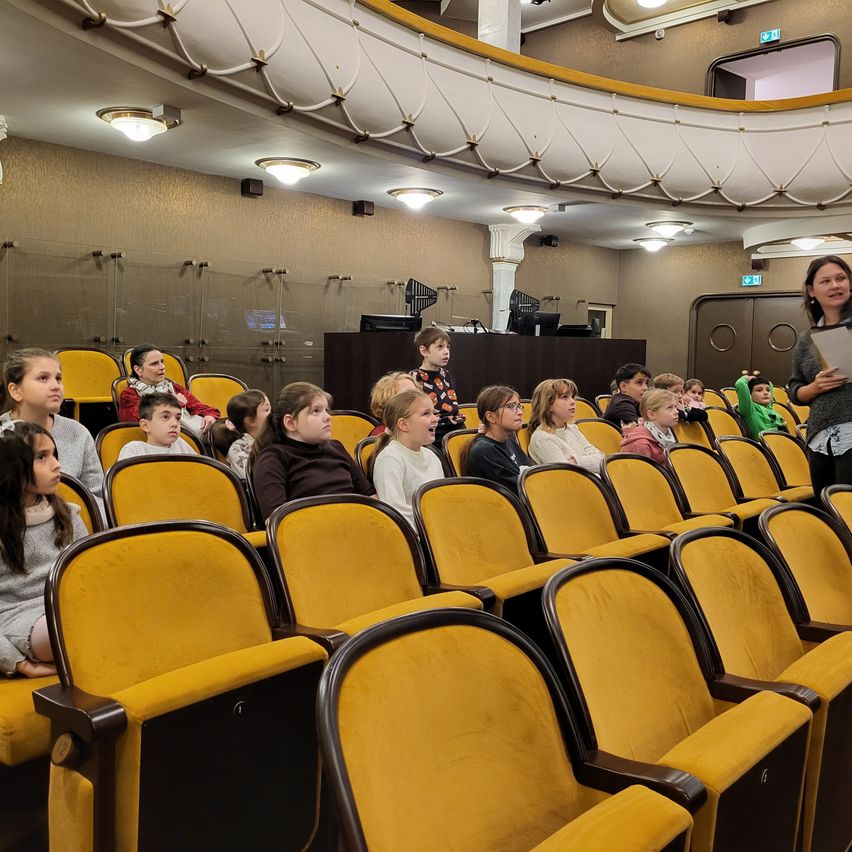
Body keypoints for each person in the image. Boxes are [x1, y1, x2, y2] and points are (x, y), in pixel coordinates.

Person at [0, 420, 88, 678]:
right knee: (68, 629)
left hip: (68, 602)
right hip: (20, 617)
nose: (57, 464)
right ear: (10, 468)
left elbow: (87, 569)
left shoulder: (67, 514)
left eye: (54, 454)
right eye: (42, 457)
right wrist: (18, 663)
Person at [0, 348, 104, 516]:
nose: (56, 386)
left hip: (73, 532)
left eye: (58, 378)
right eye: (43, 378)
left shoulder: (78, 433)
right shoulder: (2, 435)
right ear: (15, 390)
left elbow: (98, 499)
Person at [251, 382, 374, 520]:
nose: (328, 417)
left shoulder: (337, 448)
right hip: (309, 535)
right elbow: (275, 519)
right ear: (290, 423)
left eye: (327, 410)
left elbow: (369, 496)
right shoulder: (273, 458)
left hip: (353, 525)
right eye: (316, 411)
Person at [789, 255, 852, 494]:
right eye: (826, 281)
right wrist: (814, 388)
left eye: (841, 279)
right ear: (811, 291)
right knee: (829, 512)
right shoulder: (807, 338)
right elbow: (795, 389)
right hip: (820, 438)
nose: (835, 285)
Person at [371, 390, 444, 527]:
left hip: (438, 530)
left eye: (433, 413)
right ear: (404, 424)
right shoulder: (390, 459)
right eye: (426, 414)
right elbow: (395, 512)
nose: (435, 419)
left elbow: (441, 501)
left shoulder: (431, 456)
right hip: (416, 537)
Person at [119, 344, 219, 435]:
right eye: (154, 364)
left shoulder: (174, 387)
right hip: (164, 439)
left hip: (193, 432)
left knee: (224, 429)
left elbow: (200, 407)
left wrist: (209, 416)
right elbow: (148, 420)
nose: (162, 367)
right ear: (138, 370)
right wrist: (174, 403)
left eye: (162, 362)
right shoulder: (129, 394)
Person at [527, 378, 604, 475]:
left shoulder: (572, 429)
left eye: (572, 397)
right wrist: (589, 464)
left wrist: (575, 461)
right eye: (564, 397)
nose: (573, 402)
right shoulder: (542, 438)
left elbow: (601, 460)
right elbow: (567, 475)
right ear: (548, 405)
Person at [467, 385, 532, 495]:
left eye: (519, 406)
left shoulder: (509, 442)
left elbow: (533, 475)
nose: (520, 412)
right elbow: (523, 489)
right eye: (511, 406)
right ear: (491, 417)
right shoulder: (484, 450)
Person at [413, 327, 466, 443]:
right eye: (440, 347)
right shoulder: (415, 378)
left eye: (448, 347)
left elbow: (453, 408)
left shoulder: (447, 375)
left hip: (456, 428)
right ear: (424, 351)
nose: (446, 351)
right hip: (435, 433)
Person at [117, 392, 198, 459]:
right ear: (145, 426)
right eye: (165, 417)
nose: (174, 424)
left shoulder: (181, 444)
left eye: (178, 418)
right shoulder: (135, 450)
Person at [620, 389, 679, 464]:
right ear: (652, 415)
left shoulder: (668, 436)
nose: (676, 411)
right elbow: (640, 473)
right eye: (670, 408)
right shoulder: (640, 444)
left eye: (675, 407)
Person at [225, 390, 271, 479]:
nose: (272, 414)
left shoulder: (277, 436)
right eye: (267, 410)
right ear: (250, 421)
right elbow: (260, 478)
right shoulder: (237, 450)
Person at [734, 372, 787, 440]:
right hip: (764, 447)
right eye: (759, 390)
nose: (765, 393)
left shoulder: (769, 408)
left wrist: (758, 380)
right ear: (750, 395)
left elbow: (770, 384)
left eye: (767, 390)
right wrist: (746, 378)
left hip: (781, 442)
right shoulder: (749, 410)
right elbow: (740, 384)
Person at [368, 372, 419, 437]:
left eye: (417, 393)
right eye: (408, 395)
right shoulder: (379, 436)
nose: (417, 398)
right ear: (389, 401)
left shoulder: (420, 430)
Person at [603, 363, 651, 430]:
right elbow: (645, 427)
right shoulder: (621, 404)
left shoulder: (636, 402)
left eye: (647, 383)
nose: (645, 387)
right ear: (623, 387)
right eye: (639, 382)